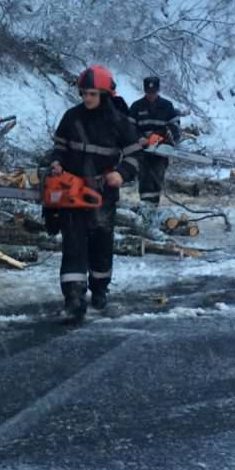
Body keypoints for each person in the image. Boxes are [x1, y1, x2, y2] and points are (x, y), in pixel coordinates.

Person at [49, 65, 142, 320]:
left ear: (103, 93)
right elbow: (59, 146)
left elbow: (135, 154)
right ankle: (74, 298)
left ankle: (99, 287)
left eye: (91, 93)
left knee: (101, 241)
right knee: (73, 243)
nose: (86, 98)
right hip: (72, 189)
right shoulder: (72, 117)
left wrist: (121, 174)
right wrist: (56, 162)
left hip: (103, 192)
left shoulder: (118, 121)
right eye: (83, 93)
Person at [128, 76, 180, 210]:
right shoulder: (136, 106)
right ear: (145, 91)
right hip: (143, 150)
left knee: (157, 178)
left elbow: (175, 128)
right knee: (144, 179)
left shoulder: (167, 106)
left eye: (153, 92)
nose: (151, 95)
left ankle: (153, 207)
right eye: (149, 92)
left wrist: (165, 138)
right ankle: (145, 207)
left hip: (160, 150)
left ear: (157, 90)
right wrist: (139, 138)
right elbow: (129, 128)